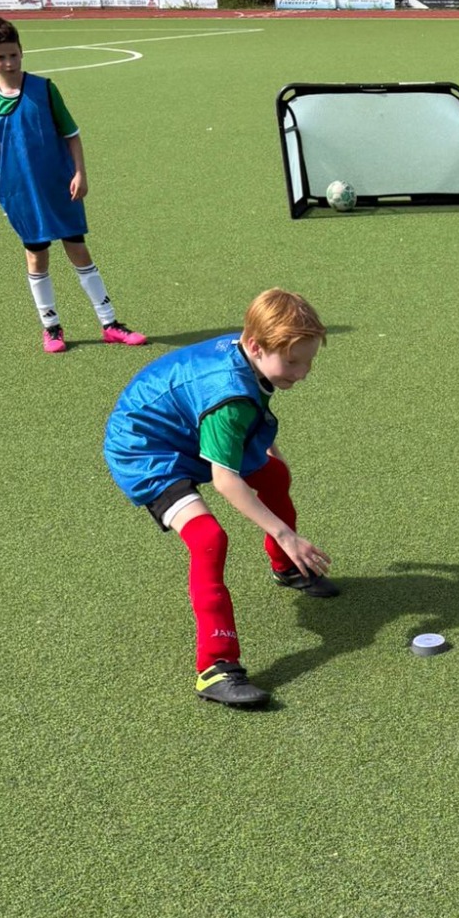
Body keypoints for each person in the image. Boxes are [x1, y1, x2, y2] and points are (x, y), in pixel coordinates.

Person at [103, 290, 336, 709]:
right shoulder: (229, 399)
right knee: (208, 538)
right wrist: (285, 534)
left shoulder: (249, 354)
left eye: (309, 362)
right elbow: (226, 480)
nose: (302, 373)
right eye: (293, 362)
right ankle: (215, 667)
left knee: (274, 474)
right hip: (145, 449)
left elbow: (249, 409)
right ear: (255, 346)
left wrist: (267, 450)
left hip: (186, 430)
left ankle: (287, 569)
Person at [0, 14, 144, 354]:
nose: (9, 62)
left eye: (13, 54)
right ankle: (51, 327)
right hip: (21, 194)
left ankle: (110, 323)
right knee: (36, 258)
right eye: (0, 56)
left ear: (22, 51)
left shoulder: (43, 89)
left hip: (60, 186)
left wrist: (80, 172)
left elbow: (71, 134)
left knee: (78, 250)